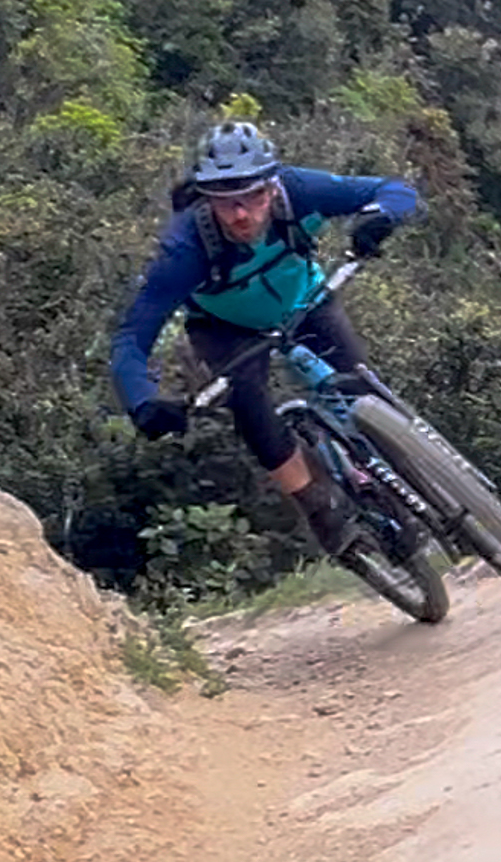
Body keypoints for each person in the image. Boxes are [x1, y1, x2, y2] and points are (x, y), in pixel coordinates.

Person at [110, 118, 418, 557]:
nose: (241, 214)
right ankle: (320, 510)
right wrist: (142, 402)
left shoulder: (298, 190)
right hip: (226, 330)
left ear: (272, 185)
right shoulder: (183, 249)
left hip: (306, 300)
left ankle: (416, 482)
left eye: (253, 196)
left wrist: (381, 215)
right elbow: (131, 340)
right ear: (205, 198)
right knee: (249, 404)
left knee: (360, 387)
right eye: (225, 201)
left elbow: (395, 190)